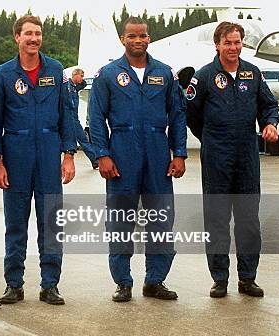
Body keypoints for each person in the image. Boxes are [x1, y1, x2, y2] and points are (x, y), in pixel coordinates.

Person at [88, 17, 187, 302]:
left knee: (161, 217)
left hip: (157, 151)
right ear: (123, 39)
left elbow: (178, 115)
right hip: (121, 152)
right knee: (120, 220)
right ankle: (123, 281)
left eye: (142, 36)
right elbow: (95, 118)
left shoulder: (164, 74)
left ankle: (155, 280)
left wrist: (179, 153)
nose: (138, 40)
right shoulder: (108, 74)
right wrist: (102, 154)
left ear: (148, 38)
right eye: (132, 36)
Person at [186, 21, 279, 298]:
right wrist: (212, 140)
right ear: (217, 44)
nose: (233, 48)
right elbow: (191, 114)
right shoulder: (203, 77)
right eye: (228, 43)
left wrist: (270, 123)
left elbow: (268, 104)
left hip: (247, 154)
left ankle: (247, 278)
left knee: (249, 218)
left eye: (237, 42)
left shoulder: (252, 73)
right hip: (217, 156)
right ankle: (220, 279)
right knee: (217, 218)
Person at [0, 15, 76, 306]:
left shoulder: (56, 70)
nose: (33, 39)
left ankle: (50, 284)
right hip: (16, 154)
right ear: (17, 37)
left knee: (51, 223)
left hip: (49, 153)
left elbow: (67, 115)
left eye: (37, 34)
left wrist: (68, 155)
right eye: (28, 34)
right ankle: (14, 284)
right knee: (15, 225)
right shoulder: (3, 74)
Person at [68, 68, 99, 169]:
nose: (82, 78)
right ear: (74, 75)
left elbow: (84, 84)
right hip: (69, 118)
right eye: (81, 76)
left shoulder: (74, 87)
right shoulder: (67, 86)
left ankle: (94, 160)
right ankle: (94, 160)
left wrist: (81, 80)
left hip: (74, 117)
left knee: (83, 140)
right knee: (82, 140)